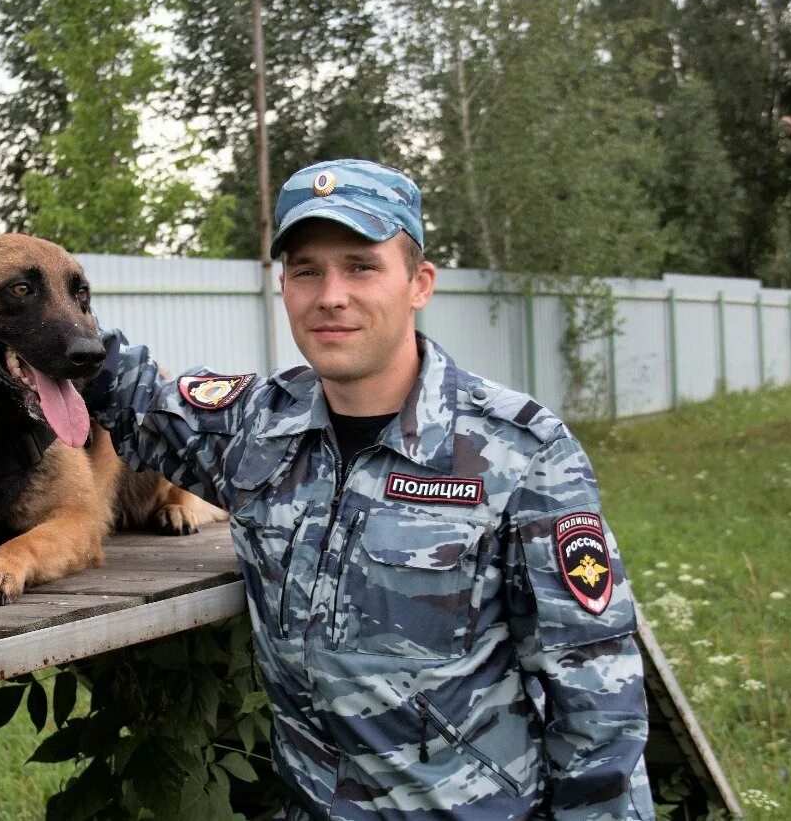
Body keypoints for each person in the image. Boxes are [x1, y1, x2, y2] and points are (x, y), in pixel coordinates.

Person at [83, 159, 655, 819]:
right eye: (307, 270)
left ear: (419, 283)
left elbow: (597, 706)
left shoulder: (519, 454)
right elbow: (130, 395)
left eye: (361, 265)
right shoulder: (256, 430)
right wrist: (17, 295)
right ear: (284, 286)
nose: (331, 294)